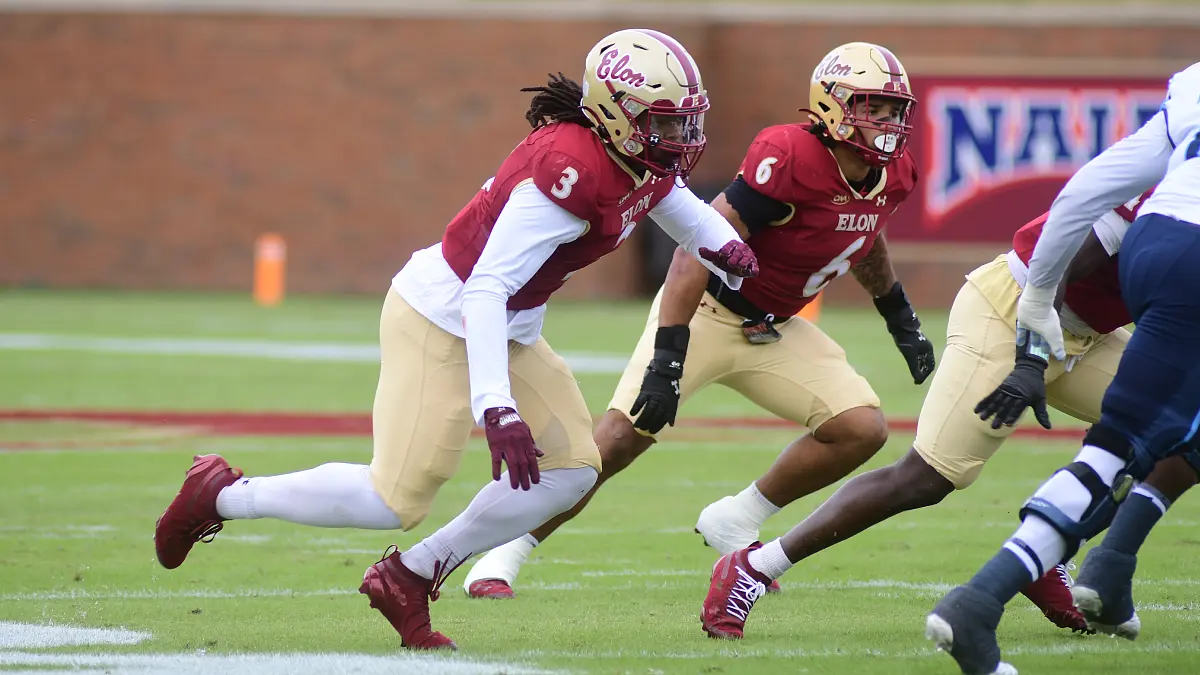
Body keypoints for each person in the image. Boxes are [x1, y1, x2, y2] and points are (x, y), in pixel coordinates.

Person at [152, 28, 758, 651]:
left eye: (684, 123)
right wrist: (494, 404)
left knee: (573, 471)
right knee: (393, 499)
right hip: (443, 316)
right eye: (662, 122)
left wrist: (724, 245)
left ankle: (410, 575)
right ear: (614, 113)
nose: (678, 139)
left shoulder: (634, 159)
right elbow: (484, 288)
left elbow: (668, 198)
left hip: (510, 326)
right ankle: (223, 495)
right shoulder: (568, 173)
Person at [463, 41, 938, 603]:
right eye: (872, 107)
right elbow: (694, 247)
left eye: (892, 110)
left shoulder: (894, 172)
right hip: (708, 312)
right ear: (832, 104)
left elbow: (865, 234)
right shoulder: (788, 157)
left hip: (774, 326)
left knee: (860, 429)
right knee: (618, 439)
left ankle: (738, 519)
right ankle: (506, 551)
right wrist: (669, 355)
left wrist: (899, 315)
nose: (885, 123)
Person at [698, 186, 1198, 640]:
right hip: (1013, 312)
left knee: (1176, 432)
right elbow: (1056, 263)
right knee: (927, 477)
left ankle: (1050, 544)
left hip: (1088, 336)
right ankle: (755, 567)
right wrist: (1029, 358)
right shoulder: (1172, 182)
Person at [925, 61, 1200, 674]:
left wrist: (1038, 311)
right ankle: (1081, 570)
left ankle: (1097, 572)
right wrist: (1034, 329)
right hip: (1185, 260)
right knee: (1124, 447)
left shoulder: (1192, 87)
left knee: (1135, 439)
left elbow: (1082, 192)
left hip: (1158, 244)